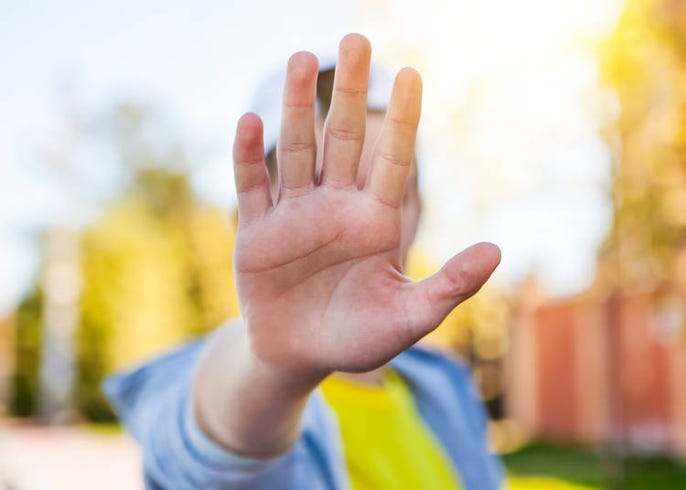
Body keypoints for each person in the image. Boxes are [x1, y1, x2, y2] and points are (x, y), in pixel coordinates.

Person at [104, 33, 504, 489]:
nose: (361, 224)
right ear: (243, 222)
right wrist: (272, 374)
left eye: (393, 189)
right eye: (323, 186)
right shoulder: (216, 385)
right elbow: (206, 451)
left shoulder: (445, 387)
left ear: (421, 212)